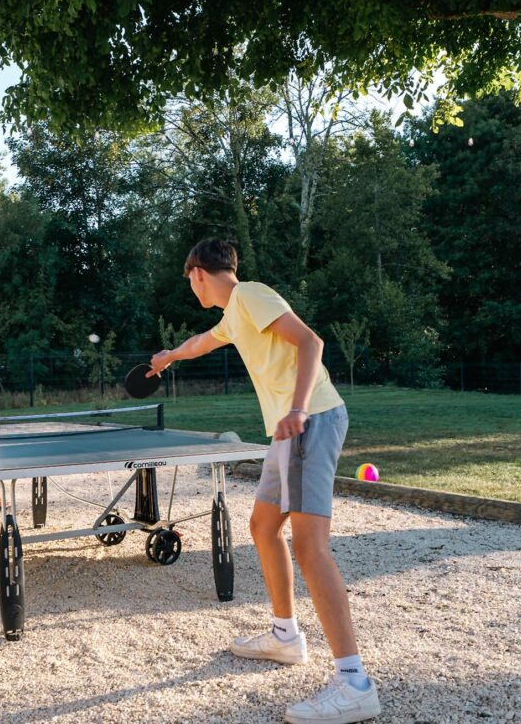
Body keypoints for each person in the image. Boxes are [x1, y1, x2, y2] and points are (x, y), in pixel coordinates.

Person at [148, 239, 381, 723]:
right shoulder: (236, 312)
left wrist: (296, 409)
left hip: (307, 420)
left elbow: (311, 342)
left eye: (188, 280)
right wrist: (169, 356)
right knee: (261, 526)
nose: (190, 288)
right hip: (287, 428)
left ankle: (354, 681)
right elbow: (203, 342)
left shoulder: (250, 295)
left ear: (198, 273)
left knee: (310, 546)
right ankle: (285, 635)